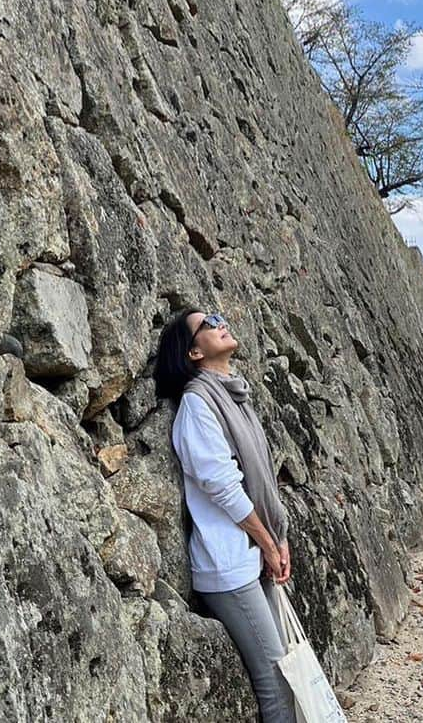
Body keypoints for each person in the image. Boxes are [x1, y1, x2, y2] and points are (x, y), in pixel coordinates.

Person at [153, 308, 297, 723]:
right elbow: (224, 486)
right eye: (207, 324)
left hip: (251, 554)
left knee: (286, 667)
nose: (220, 323)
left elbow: (262, 479)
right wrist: (269, 543)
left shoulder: (234, 396)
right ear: (193, 352)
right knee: (276, 681)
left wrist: (278, 537)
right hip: (228, 565)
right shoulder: (198, 405)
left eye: (217, 316)